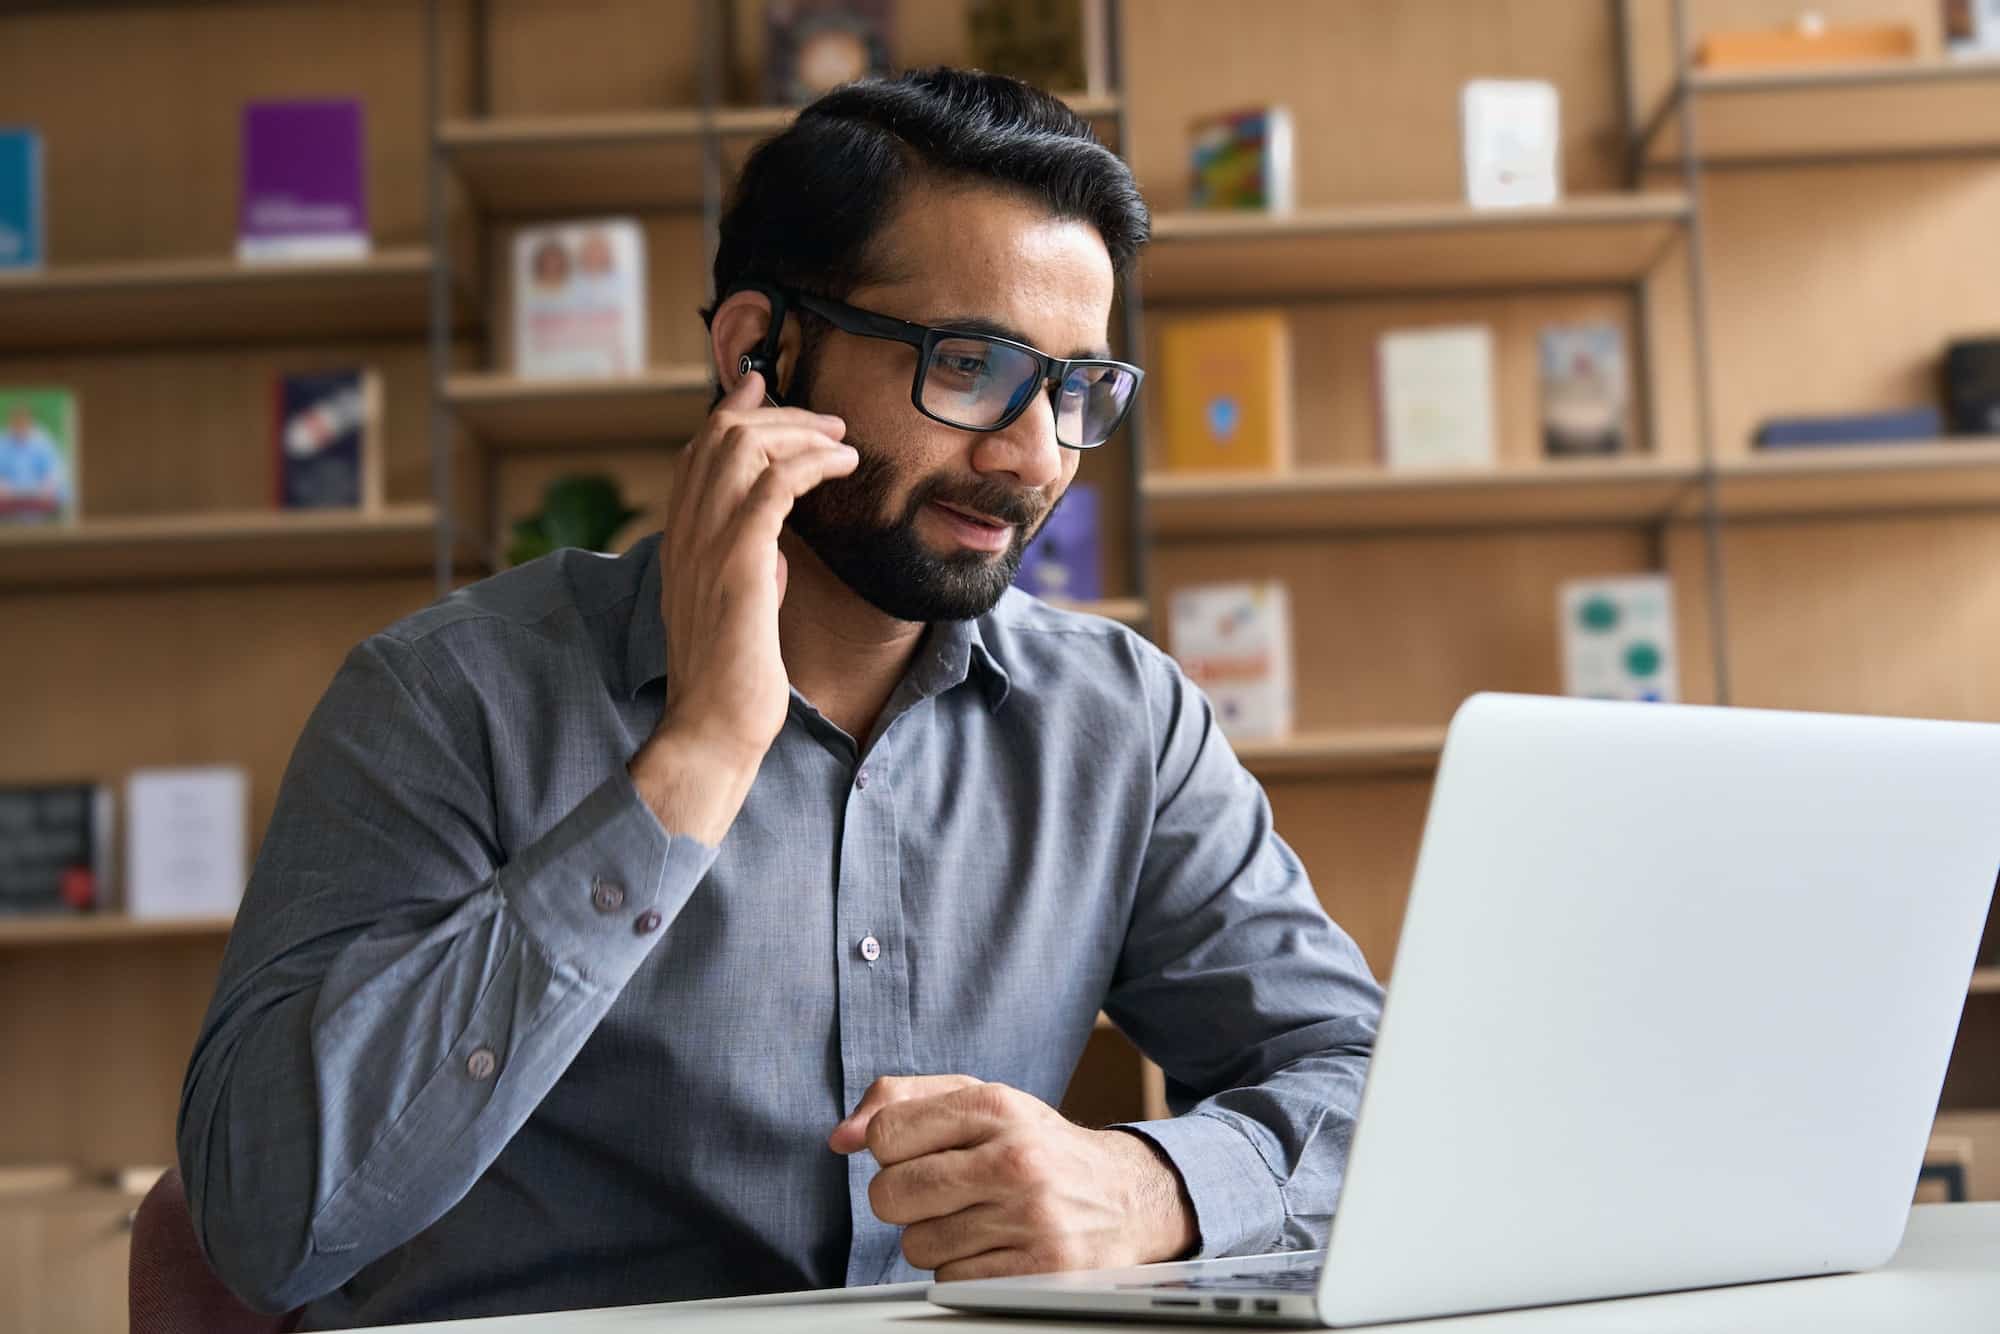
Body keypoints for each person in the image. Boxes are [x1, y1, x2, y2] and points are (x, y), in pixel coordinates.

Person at [178, 68, 1384, 1328]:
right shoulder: (446, 696)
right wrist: (694, 756)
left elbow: (1369, 1090)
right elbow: (263, 1218)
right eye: (969, 364)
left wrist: (1149, 1184)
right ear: (759, 348)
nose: (1033, 455)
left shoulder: (1119, 722)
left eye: (1076, 389)